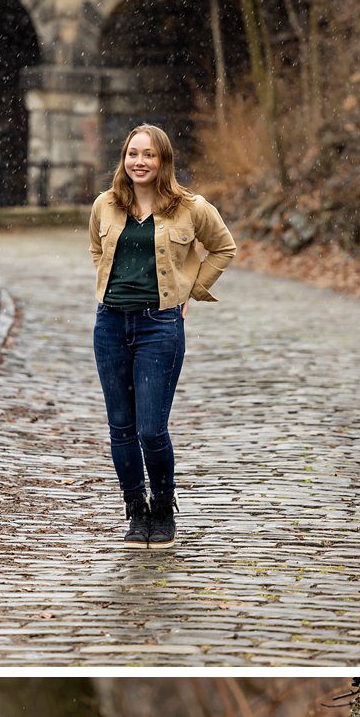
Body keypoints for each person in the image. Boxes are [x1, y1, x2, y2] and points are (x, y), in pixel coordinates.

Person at [88, 125, 236, 549]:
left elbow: (224, 248)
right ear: (124, 159)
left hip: (160, 326)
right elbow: (96, 251)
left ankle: (163, 505)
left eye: (148, 155)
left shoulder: (191, 207)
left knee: (152, 429)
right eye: (132, 153)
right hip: (111, 324)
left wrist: (189, 290)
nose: (139, 162)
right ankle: (135, 509)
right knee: (121, 426)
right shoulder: (106, 204)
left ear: (162, 161)